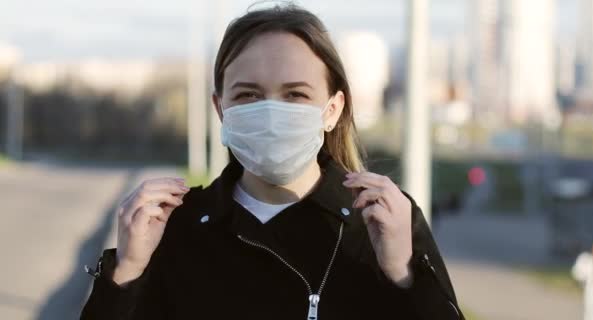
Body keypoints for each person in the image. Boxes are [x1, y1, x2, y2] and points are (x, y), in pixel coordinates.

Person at [80, 4, 463, 319]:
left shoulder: (381, 220)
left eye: (295, 95)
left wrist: (404, 276)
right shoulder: (177, 225)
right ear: (221, 108)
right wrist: (126, 272)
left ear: (332, 109)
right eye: (248, 95)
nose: (269, 112)